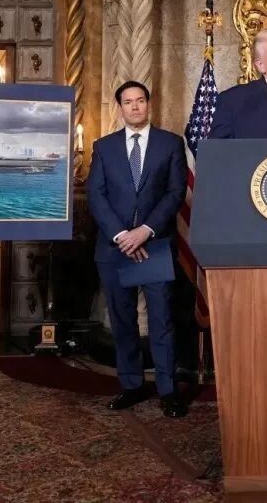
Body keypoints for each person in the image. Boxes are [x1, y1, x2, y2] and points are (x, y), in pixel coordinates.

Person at [88, 81, 188, 418]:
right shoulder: (103, 147)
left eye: (140, 100)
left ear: (148, 104)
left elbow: (175, 193)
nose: (134, 107)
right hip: (114, 248)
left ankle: (168, 391)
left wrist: (144, 232)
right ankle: (131, 385)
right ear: (119, 107)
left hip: (154, 245)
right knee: (123, 321)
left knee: (162, 322)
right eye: (128, 102)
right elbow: (96, 196)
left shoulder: (170, 143)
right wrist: (122, 236)